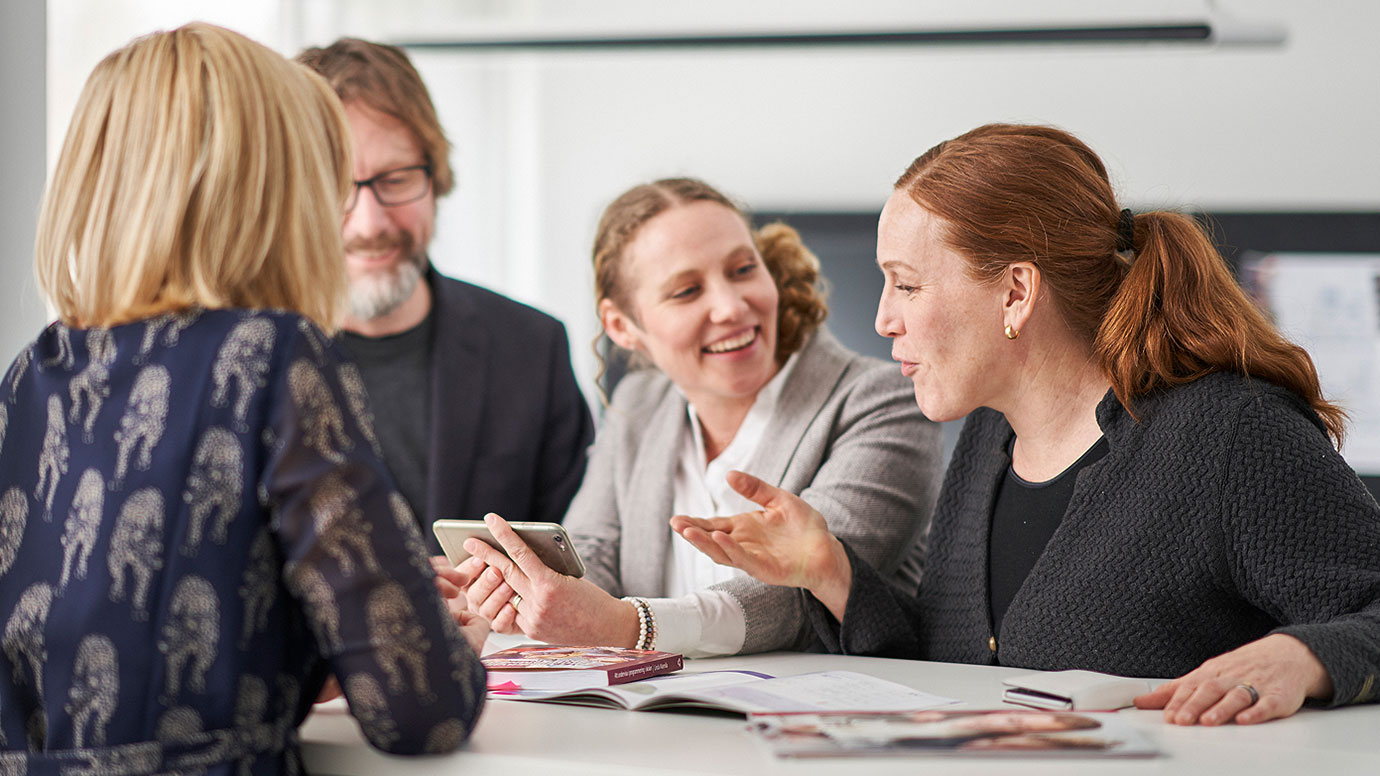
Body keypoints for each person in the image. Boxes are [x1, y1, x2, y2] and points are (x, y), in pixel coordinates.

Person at [671, 124, 1380, 723]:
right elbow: (967, 663)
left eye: (909, 285)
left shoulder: (1231, 434)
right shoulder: (988, 440)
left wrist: (1307, 654)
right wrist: (830, 573)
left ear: (1016, 291)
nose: (885, 319)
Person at [0, 24, 486, 773]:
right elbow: (421, 714)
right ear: (275, 192)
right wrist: (445, 647)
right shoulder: (272, 353)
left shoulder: (34, 373)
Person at [452, 178, 943, 657]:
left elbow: (804, 590)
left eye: (743, 269)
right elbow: (592, 552)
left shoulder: (881, 401)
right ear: (624, 327)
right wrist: (526, 589)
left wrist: (629, 627)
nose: (731, 306)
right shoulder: (640, 402)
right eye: (687, 291)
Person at [296, 39, 594, 546]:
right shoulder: (243, 361)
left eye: (395, 179)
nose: (371, 222)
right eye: (336, 186)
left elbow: (586, 554)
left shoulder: (530, 348)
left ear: (436, 177)